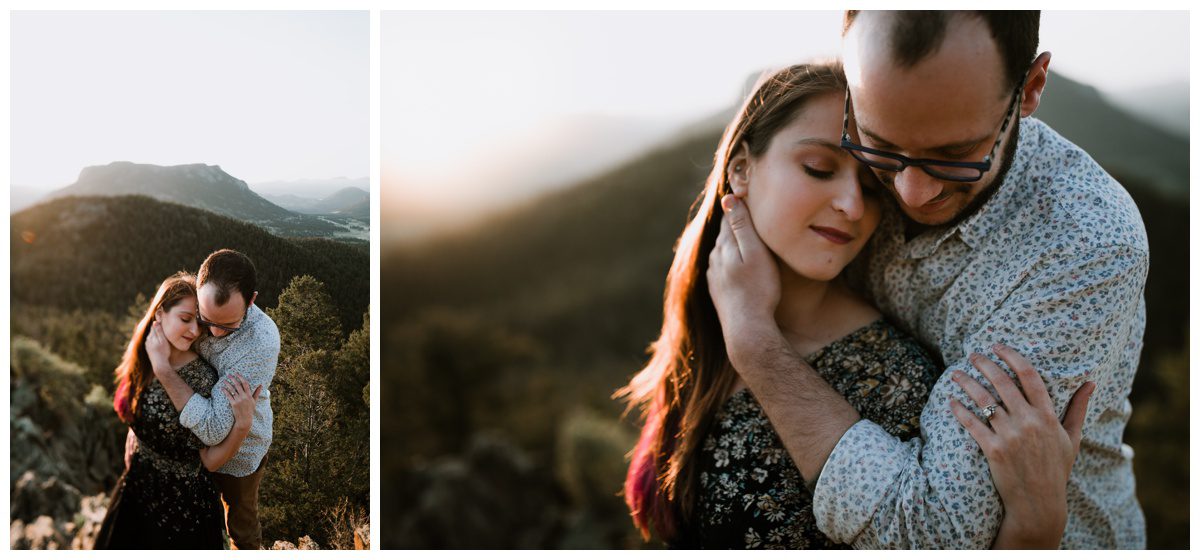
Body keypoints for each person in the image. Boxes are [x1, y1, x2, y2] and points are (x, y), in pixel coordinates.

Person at [706, 11, 1147, 549]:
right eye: (880, 149)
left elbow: (934, 534)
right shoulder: (851, 179)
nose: (911, 193)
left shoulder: (1084, 244)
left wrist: (754, 345)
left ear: (1030, 89)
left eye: (955, 155)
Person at [619, 62, 1092, 550]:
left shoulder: (893, 381)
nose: (852, 204)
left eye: (872, 186)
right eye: (818, 169)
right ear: (740, 168)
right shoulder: (702, 336)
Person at [96, 272, 261, 549]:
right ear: (159, 313)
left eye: (199, 322)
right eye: (185, 319)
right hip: (136, 490)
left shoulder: (203, 379)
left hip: (182, 510)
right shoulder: (145, 355)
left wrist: (242, 427)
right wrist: (135, 433)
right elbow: (138, 404)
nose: (194, 331)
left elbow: (209, 461)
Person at [144, 249, 281, 550]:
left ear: (252, 300)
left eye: (228, 325)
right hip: (187, 450)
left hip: (240, 452)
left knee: (241, 528)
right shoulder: (193, 302)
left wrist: (165, 373)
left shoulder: (260, 342)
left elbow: (214, 429)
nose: (215, 332)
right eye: (206, 321)